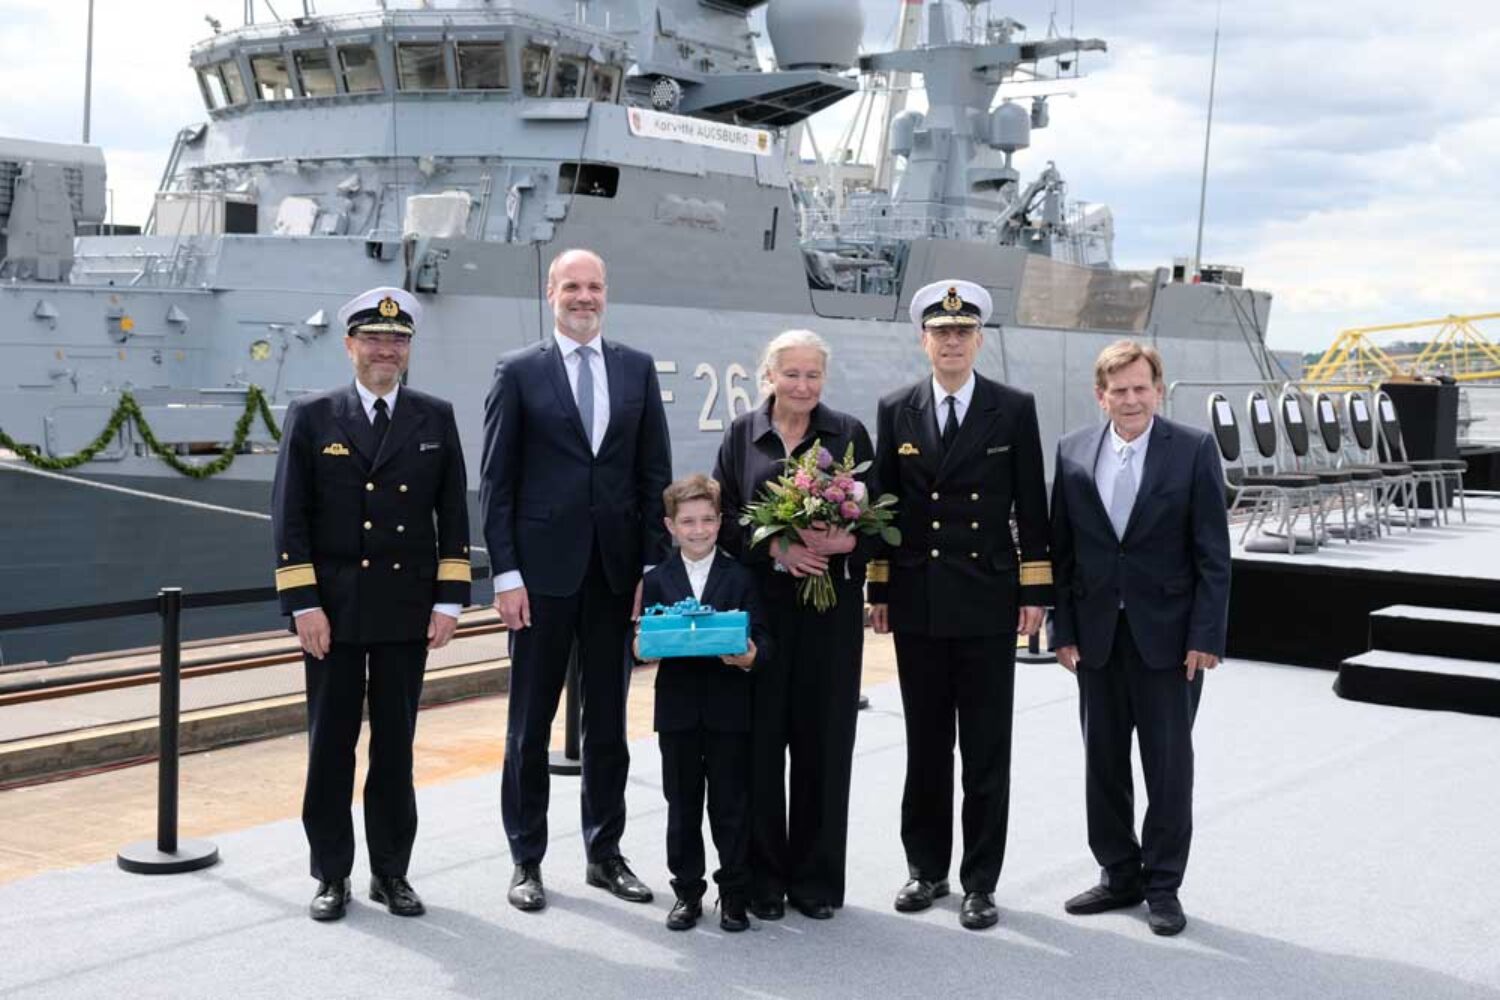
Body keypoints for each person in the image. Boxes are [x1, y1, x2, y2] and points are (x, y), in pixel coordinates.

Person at [480, 248, 673, 912]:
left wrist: (651, 568)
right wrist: (506, 575)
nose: (584, 297)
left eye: (594, 286)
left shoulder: (635, 368)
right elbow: (498, 484)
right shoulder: (518, 371)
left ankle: (604, 853)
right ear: (551, 292)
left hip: (615, 576)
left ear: (605, 292)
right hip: (540, 576)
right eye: (572, 287)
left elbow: (653, 475)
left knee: (608, 726)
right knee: (529, 726)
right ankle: (526, 860)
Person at [272, 285, 471, 922]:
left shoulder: (434, 416)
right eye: (374, 338)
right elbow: (289, 515)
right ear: (350, 345)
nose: (386, 349)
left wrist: (450, 600)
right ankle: (331, 874)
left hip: (404, 608)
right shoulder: (313, 415)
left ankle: (391, 872)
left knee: (395, 748)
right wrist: (303, 604)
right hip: (332, 611)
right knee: (331, 746)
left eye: (398, 340)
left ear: (408, 349)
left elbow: (453, 513)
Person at [867, 279, 1053, 931]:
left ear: (978, 341)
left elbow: (1032, 504)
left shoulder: (1013, 408)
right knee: (925, 745)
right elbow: (885, 504)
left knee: (984, 749)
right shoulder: (897, 409)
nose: (952, 341)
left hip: (987, 600)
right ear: (924, 340)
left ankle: (980, 882)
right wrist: (879, 589)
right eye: (941, 332)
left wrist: (1035, 591)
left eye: (963, 332)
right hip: (918, 599)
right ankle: (925, 869)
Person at [1049, 339, 1231, 937]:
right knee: (1102, 763)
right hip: (1096, 637)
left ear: (1158, 390)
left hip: (1171, 641)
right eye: (1119, 390)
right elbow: (1063, 551)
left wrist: (1206, 634)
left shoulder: (1194, 449)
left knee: (1168, 768)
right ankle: (1119, 873)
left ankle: (1163, 885)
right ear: (1100, 396)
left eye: (1141, 388)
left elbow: (1213, 553)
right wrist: (1062, 629)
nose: (1131, 399)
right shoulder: (1072, 451)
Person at [712, 329, 874, 921]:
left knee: (824, 744)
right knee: (760, 744)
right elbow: (726, 518)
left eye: (813, 375)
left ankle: (816, 881)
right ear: (769, 377)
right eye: (792, 374)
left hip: (830, 615)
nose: (803, 386)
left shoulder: (849, 433)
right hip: (764, 611)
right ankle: (763, 880)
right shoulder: (741, 434)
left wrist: (845, 541)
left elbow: (882, 519)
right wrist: (777, 547)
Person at [635, 474, 772, 933]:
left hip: (729, 710)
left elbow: (764, 639)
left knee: (731, 804)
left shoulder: (742, 577)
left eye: (708, 520)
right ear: (670, 526)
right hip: (676, 713)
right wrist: (640, 648)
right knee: (682, 804)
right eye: (688, 522)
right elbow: (640, 640)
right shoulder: (656, 580)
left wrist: (751, 656)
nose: (698, 530)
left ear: (720, 522)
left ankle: (733, 894)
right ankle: (687, 892)